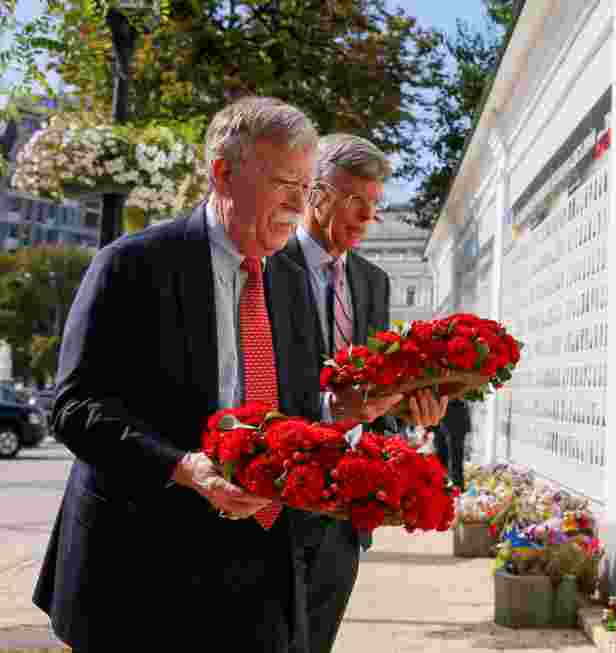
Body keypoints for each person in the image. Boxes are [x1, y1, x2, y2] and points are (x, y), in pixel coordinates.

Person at [31, 97, 415, 652]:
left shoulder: (290, 280)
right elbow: (75, 408)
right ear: (222, 173)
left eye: (305, 187)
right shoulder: (132, 264)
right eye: (283, 184)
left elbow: (296, 408)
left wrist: (342, 417)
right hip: (139, 567)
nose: (297, 204)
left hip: (260, 563)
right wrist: (184, 467)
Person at [283, 133, 448, 650]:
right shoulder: (265, 265)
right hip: (275, 495)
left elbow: (376, 387)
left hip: (345, 509)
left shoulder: (373, 281)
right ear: (315, 192)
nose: (367, 217)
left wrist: (410, 411)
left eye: (374, 203)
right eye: (355, 199)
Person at [436, 399, 471, 490]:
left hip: (456, 414)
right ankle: (444, 487)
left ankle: (456, 489)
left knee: (455, 459)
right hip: (440, 416)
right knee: (441, 456)